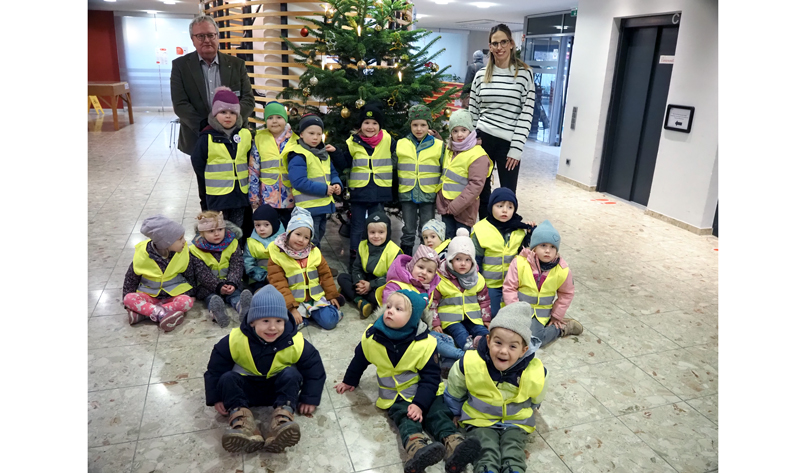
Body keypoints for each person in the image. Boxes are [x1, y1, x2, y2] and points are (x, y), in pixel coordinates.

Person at [334, 290, 482, 473]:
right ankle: (417, 450)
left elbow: (431, 377)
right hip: (395, 394)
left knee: (438, 413)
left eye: (398, 308)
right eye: (388, 306)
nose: (389, 311)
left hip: (425, 391)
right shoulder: (372, 337)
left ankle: (455, 446)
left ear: (413, 317)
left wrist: (420, 403)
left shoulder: (425, 343)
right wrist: (350, 380)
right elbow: (360, 359)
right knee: (405, 418)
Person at [204, 285, 326, 453]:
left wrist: (309, 397)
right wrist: (217, 397)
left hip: (279, 391)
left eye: (278, 321)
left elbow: (315, 369)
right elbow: (215, 370)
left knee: (292, 374)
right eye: (265, 321)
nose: (273, 327)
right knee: (227, 378)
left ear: (285, 321)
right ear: (252, 321)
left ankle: (282, 421)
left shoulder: (296, 341)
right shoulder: (234, 340)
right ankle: (243, 423)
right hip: (246, 390)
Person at [443, 302, 548, 473]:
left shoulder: (536, 371)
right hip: (479, 420)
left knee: (513, 448)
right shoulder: (469, 363)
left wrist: (534, 407)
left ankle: (513, 469)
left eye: (513, 346)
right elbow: (455, 390)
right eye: (498, 343)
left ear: (524, 350)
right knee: (485, 447)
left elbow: (537, 395)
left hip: (516, 421)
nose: (503, 351)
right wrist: (455, 411)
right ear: (488, 340)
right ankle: (486, 469)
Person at [469, 23, 536, 221]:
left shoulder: (524, 74)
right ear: (489, 46)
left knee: (507, 193)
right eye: (494, 43)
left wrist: (516, 148)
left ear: (511, 43)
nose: (499, 47)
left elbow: (526, 112)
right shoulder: (481, 75)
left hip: (509, 142)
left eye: (503, 42)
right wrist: (472, 140)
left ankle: (503, 233)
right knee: (481, 190)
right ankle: (483, 232)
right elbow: (473, 110)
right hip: (483, 139)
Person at [171, 14, 254, 156]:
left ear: (218, 36)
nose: (207, 40)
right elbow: (180, 104)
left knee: (237, 176)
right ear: (192, 39)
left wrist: (231, 124)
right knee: (205, 177)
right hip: (198, 137)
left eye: (211, 35)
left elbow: (248, 99)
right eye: (201, 36)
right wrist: (207, 127)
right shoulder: (180, 66)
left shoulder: (236, 64)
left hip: (235, 136)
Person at [122, 215, 219, 332]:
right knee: (128, 298)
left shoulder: (183, 253)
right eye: (180, 239)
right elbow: (131, 278)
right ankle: (163, 314)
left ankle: (145, 314)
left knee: (187, 302)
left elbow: (190, 274)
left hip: (173, 296)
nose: (184, 241)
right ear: (165, 243)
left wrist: (191, 293)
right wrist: (127, 300)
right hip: (150, 295)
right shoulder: (142, 256)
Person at [330, 104, 396, 266]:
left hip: (379, 191)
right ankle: (355, 255)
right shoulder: (353, 143)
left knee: (378, 225)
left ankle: (378, 256)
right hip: (359, 191)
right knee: (358, 226)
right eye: (366, 123)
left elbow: (402, 155)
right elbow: (345, 162)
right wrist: (335, 152)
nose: (370, 127)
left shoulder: (388, 140)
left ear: (380, 126)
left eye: (374, 123)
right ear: (360, 125)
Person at [503, 220, 582, 350]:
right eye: (543, 245)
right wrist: (515, 310)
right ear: (534, 247)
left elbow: (566, 293)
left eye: (552, 247)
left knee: (535, 340)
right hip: (518, 310)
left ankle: (562, 328)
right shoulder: (520, 263)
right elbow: (509, 287)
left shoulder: (562, 270)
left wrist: (556, 315)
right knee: (508, 335)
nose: (547, 251)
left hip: (540, 314)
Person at [266, 207, 344, 330]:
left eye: (306, 237)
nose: (301, 240)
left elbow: (326, 275)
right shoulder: (277, 256)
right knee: (284, 326)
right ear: (289, 233)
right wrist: (291, 308)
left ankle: (323, 314)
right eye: (297, 234)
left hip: (315, 298)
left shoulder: (314, 252)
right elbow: (279, 284)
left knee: (329, 322)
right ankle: (303, 318)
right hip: (293, 301)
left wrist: (331, 295)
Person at [190, 86, 252, 238]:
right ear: (215, 113)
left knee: (238, 230)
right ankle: (221, 257)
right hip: (218, 196)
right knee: (219, 229)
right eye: (223, 112)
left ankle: (236, 256)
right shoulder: (207, 137)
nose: (228, 116)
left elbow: (251, 158)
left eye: (232, 113)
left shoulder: (245, 134)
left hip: (240, 194)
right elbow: (198, 162)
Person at [471, 187, 535, 316]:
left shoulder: (519, 230)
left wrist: (530, 235)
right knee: (492, 314)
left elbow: (525, 257)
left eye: (510, 207)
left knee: (520, 313)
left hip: (514, 285)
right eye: (500, 206)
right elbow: (475, 262)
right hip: (490, 285)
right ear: (491, 207)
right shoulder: (480, 229)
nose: (505, 210)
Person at [189, 211, 253, 327]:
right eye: (211, 231)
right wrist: (218, 286)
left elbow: (237, 264)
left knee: (235, 294)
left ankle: (243, 308)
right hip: (209, 286)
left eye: (220, 229)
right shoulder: (195, 250)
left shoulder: (232, 243)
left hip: (230, 282)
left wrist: (232, 282)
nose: (217, 234)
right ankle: (217, 313)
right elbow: (201, 273)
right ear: (202, 233)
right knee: (211, 298)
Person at [287, 114, 342, 248]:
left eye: (319, 134)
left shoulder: (323, 153)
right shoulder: (298, 154)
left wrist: (336, 183)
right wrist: (324, 189)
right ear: (301, 134)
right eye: (311, 133)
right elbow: (299, 182)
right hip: (308, 209)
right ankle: (309, 266)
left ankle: (313, 264)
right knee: (311, 241)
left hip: (322, 206)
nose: (315, 137)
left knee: (318, 237)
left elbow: (332, 172)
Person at [431, 228, 491, 350]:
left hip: (473, 317)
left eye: (467, 259)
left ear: (473, 262)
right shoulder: (441, 278)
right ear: (450, 260)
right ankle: (468, 348)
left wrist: (486, 319)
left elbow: (484, 300)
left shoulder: (477, 279)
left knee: (483, 333)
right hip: (450, 319)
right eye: (458, 259)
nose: (463, 263)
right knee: (460, 333)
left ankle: (484, 346)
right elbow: (433, 303)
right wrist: (435, 323)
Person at [436, 109, 492, 239]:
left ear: (471, 131)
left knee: (461, 244)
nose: (459, 135)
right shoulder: (452, 149)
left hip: (464, 210)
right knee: (447, 240)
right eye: (455, 131)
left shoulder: (478, 155)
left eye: (463, 130)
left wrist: (455, 206)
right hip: (446, 207)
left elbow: (475, 186)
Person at [396, 104, 444, 256]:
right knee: (408, 229)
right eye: (415, 125)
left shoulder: (438, 145)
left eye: (423, 125)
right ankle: (405, 260)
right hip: (407, 193)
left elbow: (444, 169)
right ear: (410, 125)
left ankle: (426, 259)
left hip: (428, 194)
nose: (419, 129)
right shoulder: (401, 144)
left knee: (427, 229)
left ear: (429, 125)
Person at [337, 209, 402, 318]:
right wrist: (359, 281)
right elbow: (356, 268)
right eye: (372, 232)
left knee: (379, 297)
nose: (376, 236)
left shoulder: (395, 251)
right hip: (365, 279)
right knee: (342, 277)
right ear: (366, 232)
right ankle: (361, 301)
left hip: (382, 285)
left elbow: (393, 278)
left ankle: (353, 296)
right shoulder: (363, 245)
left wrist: (370, 285)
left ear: (388, 232)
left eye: (381, 232)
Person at [249, 101, 298, 230]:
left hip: (290, 195)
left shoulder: (295, 139)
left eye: (279, 117)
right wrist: (254, 196)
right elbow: (254, 168)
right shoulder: (260, 138)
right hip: (267, 195)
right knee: (270, 230)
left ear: (285, 119)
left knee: (288, 229)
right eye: (270, 118)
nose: (274, 121)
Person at [243, 204, 285, 292]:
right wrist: (264, 276)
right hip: (258, 278)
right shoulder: (251, 242)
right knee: (259, 291)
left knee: (282, 289)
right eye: (257, 225)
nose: (261, 229)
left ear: (274, 224)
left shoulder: (284, 240)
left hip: (280, 276)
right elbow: (248, 265)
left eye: (266, 225)